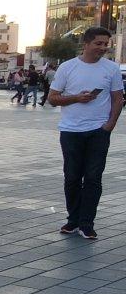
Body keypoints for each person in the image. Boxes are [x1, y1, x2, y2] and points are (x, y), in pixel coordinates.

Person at [46, 27, 123, 239]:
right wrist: (76, 98)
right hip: (71, 131)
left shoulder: (112, 68)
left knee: (93, 178)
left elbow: (118, 98)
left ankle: (87, 223)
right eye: (98, 43)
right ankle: (73, 220)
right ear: (86, 44)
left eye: (106, 44)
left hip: (99, 132)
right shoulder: (67, 68)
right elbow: (52, 98)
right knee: (72, 177)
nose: (103, 48)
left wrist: (109, 125)